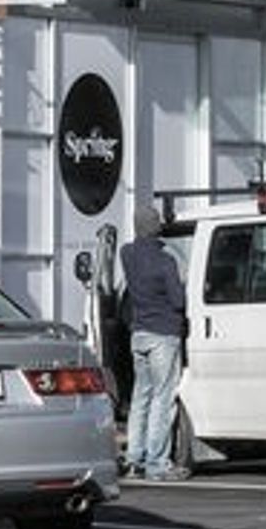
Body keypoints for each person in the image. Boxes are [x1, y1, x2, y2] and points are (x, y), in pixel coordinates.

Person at [119, 200, 189, 480]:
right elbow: (178, 300)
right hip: (164, 334)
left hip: (139, 334)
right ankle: (158, 462)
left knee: (141, 397)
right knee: (163, 398)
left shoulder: (126, 254)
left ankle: (135, 458)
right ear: (154, 227)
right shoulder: (165, 261)